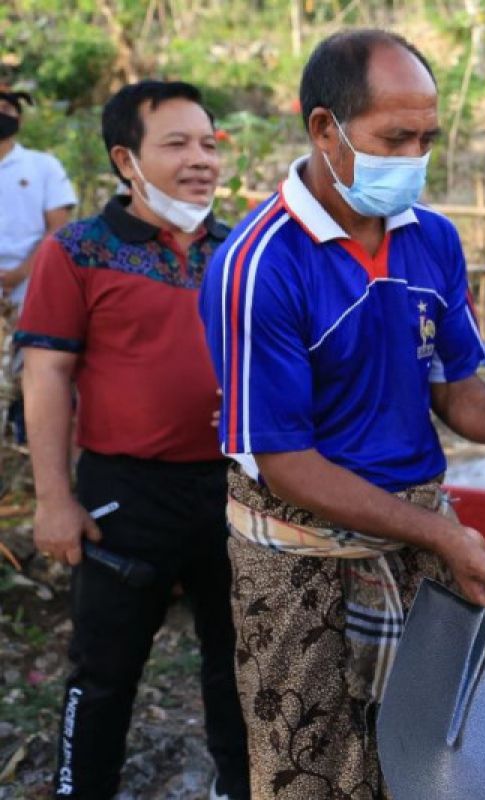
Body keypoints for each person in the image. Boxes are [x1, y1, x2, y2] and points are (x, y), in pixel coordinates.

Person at [196, 30, 485, 798]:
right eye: (395, 137)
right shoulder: (259, 265)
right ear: (326, 129)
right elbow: (286, 464)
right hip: (301, 564)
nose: (414, 156)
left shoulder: (432, 240)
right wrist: (441, 533)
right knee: (308, 771)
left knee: (423, 766)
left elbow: (455, 391)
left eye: (427, 138)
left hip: (416, 544)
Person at [17, 81, 249, 800]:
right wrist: (54, 499)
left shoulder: (239, 247)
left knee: (238, 663)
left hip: (234, 489)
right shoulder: (78, 250)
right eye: (177, 144)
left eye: (209, 143)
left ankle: (239, 788)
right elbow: (47, 374)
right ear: (127, 158)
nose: (201, 159)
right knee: (106, 670)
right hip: (126, 491)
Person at [0, 86, 77, 443]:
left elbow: (57, 228)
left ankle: (25, 450)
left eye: (6, 108)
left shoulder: (42, 166)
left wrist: (20, 274)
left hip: (31, 287)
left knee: (31, 371)